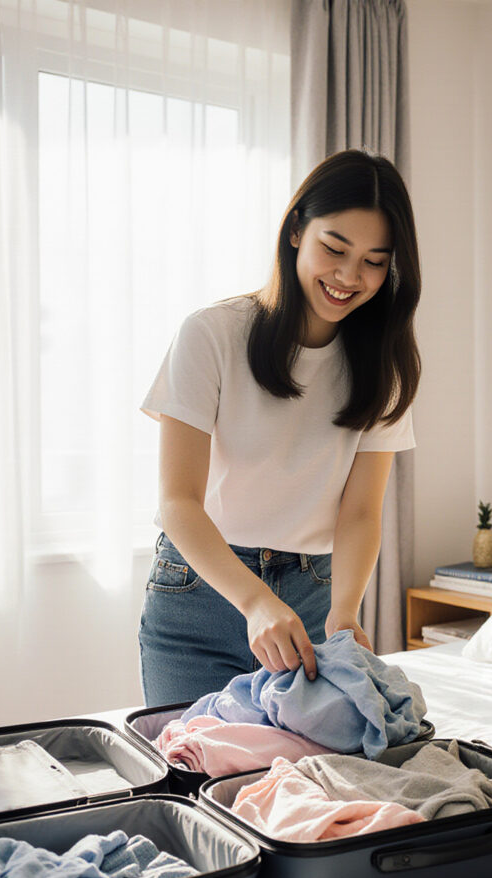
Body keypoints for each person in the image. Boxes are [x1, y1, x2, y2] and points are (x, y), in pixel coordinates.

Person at [138, 149, 421, 706]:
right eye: (334, 249)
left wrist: (345, 611)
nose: (348, 276)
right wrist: (255, 601)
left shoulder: (384, 365)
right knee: (193, 775)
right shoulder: (212, 334)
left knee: (296, 785)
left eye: (373, 261)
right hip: (201, 589)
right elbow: (179, 501)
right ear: (296, 230)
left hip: (314, 593)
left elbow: (361, 512)